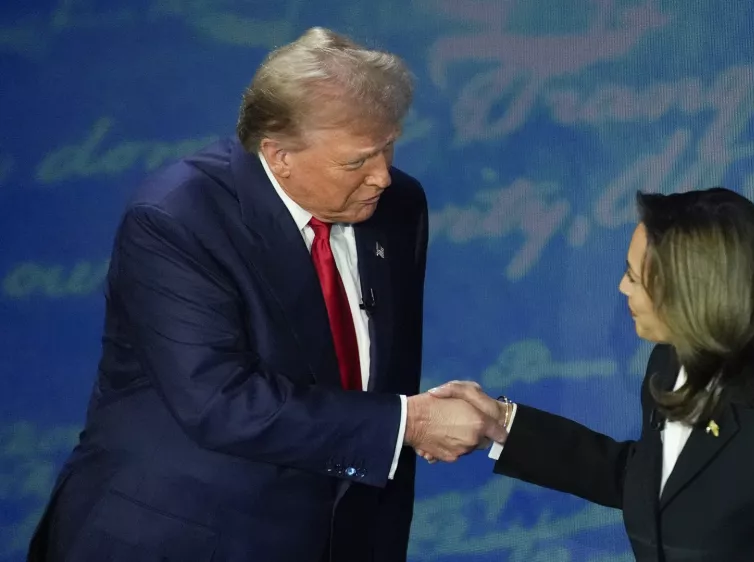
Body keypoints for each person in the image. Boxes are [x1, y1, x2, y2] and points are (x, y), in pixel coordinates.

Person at [27, 27, 505, 562]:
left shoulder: (398, 207)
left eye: (388, 148)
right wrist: (409, 423)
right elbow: (220, 401)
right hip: (180, 537)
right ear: (278, 154)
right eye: (358, 161)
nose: (382, 177)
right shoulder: (177, 220)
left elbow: (379, 375)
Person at [427, 188, 754, 561]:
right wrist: (503, 425)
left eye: (633, 277)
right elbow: (648, 483)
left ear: (692, 294)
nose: (623, 288)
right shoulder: (669, 363)